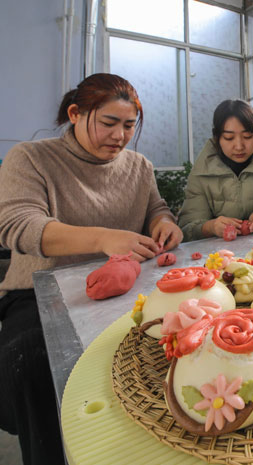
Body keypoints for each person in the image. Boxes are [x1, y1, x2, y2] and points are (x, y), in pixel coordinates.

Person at [0, 73, 182, 465]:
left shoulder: (139, 166)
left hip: (129, 288)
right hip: (38, 294)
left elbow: (156, 208)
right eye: (108, 123)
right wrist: (102, 239)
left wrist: (163, 224)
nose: (119, 136)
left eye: (129, 126)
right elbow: (18, 225)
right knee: (33, 366)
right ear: (75, 114)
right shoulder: (31, 158)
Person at [178, 100, 253, 241]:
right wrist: (211, 227)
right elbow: (187, 229)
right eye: (229, 138)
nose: (239, 146)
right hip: (219, 256)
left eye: (247, 137)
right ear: (217, 137)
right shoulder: (202, 172)